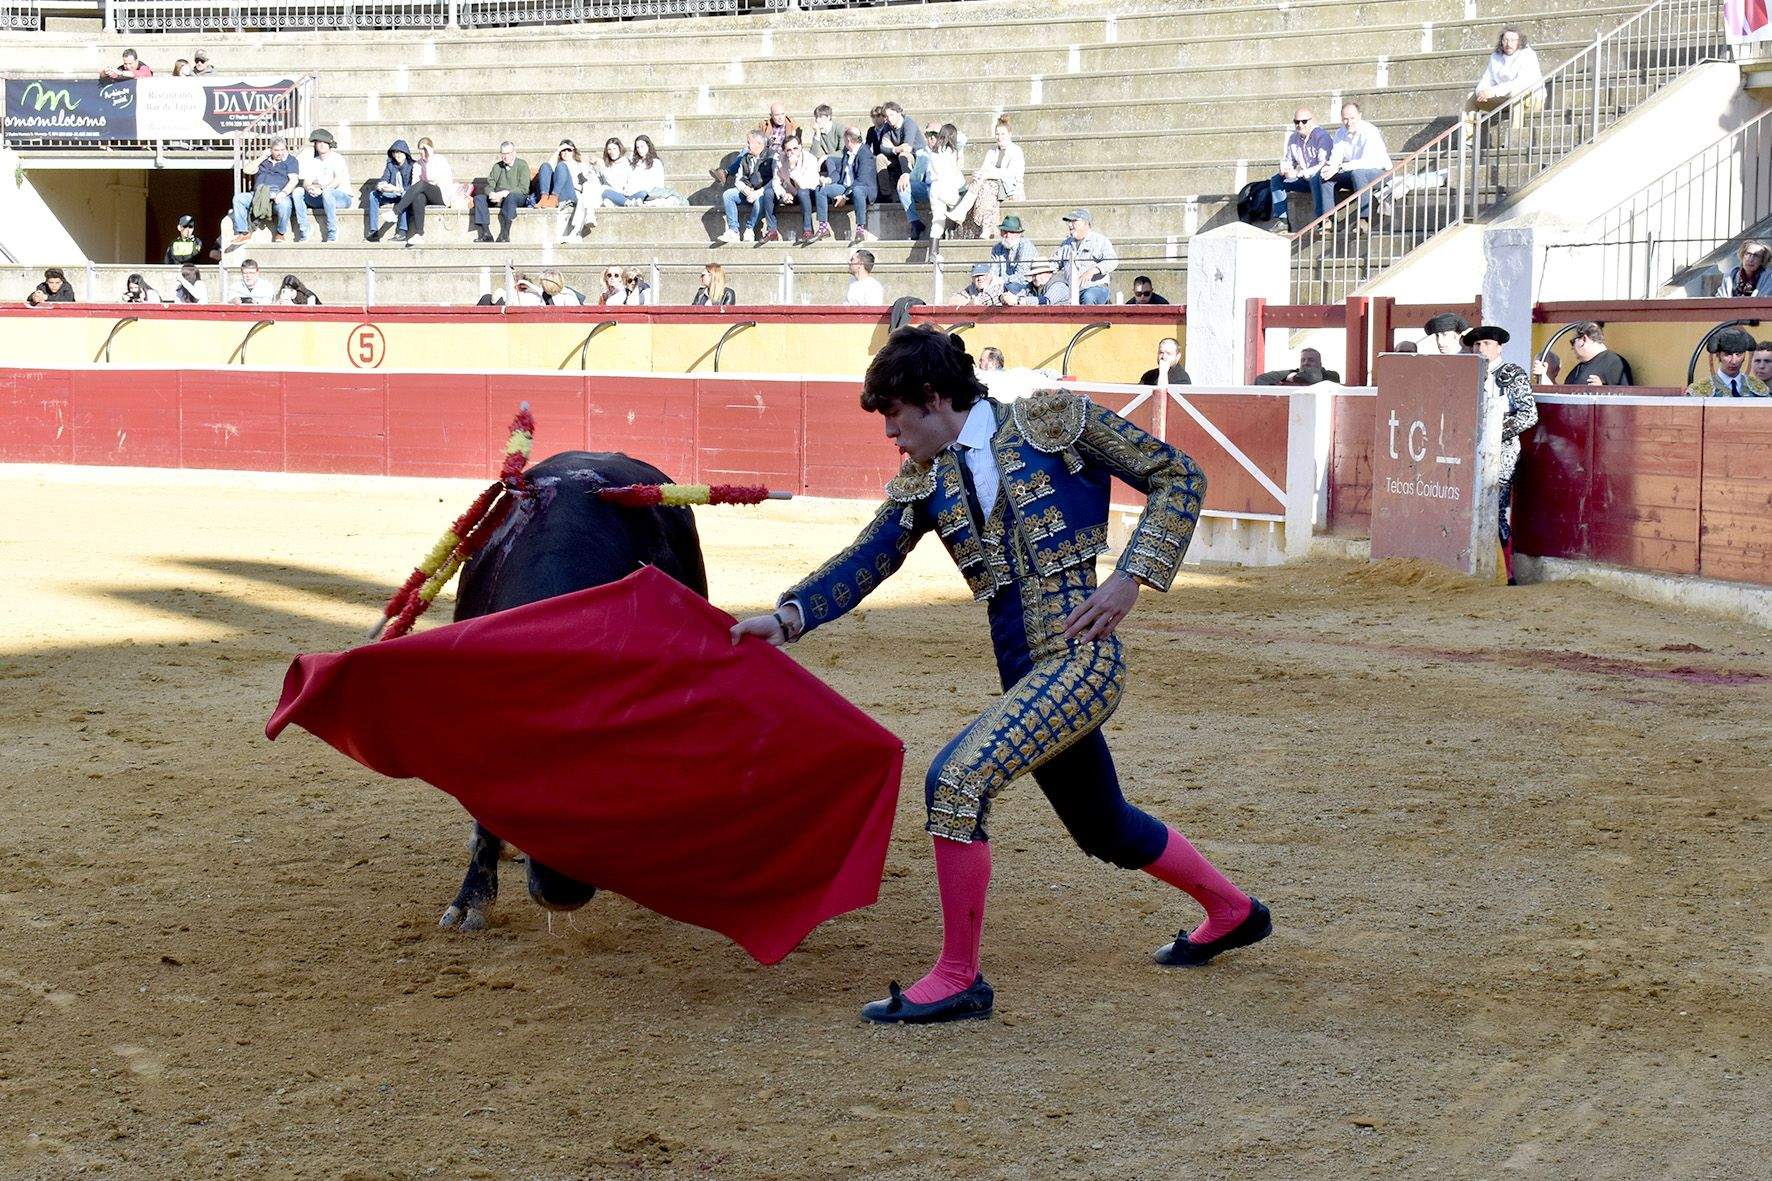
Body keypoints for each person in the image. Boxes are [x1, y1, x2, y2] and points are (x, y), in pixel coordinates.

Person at [728, 327, 1270, 1025]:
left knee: (956, 778)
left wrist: (1131, 578)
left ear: (932, 397)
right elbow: (867, 556)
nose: (891, 434)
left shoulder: (1051, 421)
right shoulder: (930, 479)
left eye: (895, 415)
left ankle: (959, 976)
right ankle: (1232, 910)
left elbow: (1179, 474)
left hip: (1081, 658)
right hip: (1024, 671)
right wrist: (791, 615)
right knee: (1105, 826)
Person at [1462, 325, 1538, 584]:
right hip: (1472, 451)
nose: (1481, 349)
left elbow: (1529, 414)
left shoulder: (1512, 374)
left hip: (1503, 450)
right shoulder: (1470, 374)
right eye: (1477, 345)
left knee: (1496, 507)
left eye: (1486, 343)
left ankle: (1506, 575)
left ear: (1499, 347)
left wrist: (1494, 433)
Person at [1319, 102, 1392, 231]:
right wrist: (1331, 168)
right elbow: (1336, 157)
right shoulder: (1340, 133)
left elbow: (1367, 161)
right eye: (1345, 119)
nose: (1348, 122)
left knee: (1358, 173)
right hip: (1355, 173)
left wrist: (1340, 167)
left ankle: (1364, 219)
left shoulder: (1369, 131)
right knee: (1326, 176)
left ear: (1359, 116)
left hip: (1381, 172)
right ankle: (1328, 219)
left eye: (1352, 118)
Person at [950, 117, 1024, 240]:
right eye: (997, 134)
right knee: (981, 183)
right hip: (991, 185)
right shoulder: (991, 151)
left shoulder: (1016, 151)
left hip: (1009, 186)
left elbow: (1012, 174)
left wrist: (989, 174)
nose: (999, 137)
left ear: (1009, 134)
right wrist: (978, 174)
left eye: (1002, 134)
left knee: (987, 186)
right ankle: (983, 226)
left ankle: (971, 218)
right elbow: (984, 169)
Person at [1267, 108, 1334, 232]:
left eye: (1304, 121)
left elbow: (1323, 164)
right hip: (1304, 180)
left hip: (1321, 180)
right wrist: (1284, 168)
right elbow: (1289, 160)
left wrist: (1298, 173)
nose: (1300, 125)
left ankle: (1322, 220)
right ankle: (1282, 221)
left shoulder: (1322, 137)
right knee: (1276, 179)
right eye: (1296, 122)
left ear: (1312, 121)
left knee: (1315, 177)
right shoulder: (1294, 138)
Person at [229, 136, 301, 246]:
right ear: (271, 149)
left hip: (278, 194)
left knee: (285, 205)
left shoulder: (290, 161)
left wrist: (283, 193)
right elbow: (247, 170)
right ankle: (244, 233)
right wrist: (262, 157)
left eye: (283, 150)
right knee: (239, 198)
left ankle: (280, 233)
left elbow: (294, 180)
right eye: (277, 150)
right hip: (259, 194)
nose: (280, 153)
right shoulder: (264, 161)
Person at [813, 126, 878, 244]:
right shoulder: (848, 153)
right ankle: (823, 227)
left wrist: (844, 197)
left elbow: (861, 180)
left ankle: (860, 229)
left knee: (858, 190)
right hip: (845, 186)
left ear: (848, 140)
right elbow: (839, 172)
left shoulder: (865, 154)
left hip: (863, 189)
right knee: (821, 189)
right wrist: (828, 180)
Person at [1466, 28, 1544, 126]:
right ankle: (1468, 139)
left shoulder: (1528, 55)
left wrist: (1492, 92)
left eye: (1513, 40)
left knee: (1516, 93)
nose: (1508, 44)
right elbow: (1486, 78)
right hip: (1505, 99)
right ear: (1501, 42)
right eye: (1505, 40)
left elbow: (1520, 83)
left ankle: (1515, 136)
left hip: (1531, 98)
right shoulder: (1495, 56)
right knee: (1472, 97)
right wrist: (1481, 91)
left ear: (1519, 41)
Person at [876, 101, 930, 240]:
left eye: (891, 115)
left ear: (899, 113)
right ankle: (886, 195)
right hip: (897, 155)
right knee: (880, 158)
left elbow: (908, 146)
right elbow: (882, 147)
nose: (888, 119)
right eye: (886, 117)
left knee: (904, 155)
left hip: (916, 157)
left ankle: (907, 177)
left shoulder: (908, 123)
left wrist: (895, 148)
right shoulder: (887, 127)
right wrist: (895, 149)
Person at [717, 130, 777, 245]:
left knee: (761, 200)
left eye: (749, 142)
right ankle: (733, 230)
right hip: (748, 192)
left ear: (759, 144)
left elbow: (776, 179)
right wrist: (745, 190)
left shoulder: (772, 156)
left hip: (763, 193)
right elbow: (738, 179)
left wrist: (757, 193)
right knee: (728, 195)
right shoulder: (745, 158)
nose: (747, 145)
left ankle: (750, 228)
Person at [295, 128, 353, 243]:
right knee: (298, 192)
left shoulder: (337, 158)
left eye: (324, 142)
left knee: (327, 192)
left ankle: (332, 230)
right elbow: (307, 181)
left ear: (329, 144)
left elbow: (338, 180)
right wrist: (309, 188)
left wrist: (321, 189)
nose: (321, 145)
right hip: (321, 197)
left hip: (342, 197)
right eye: (318, 142)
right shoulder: (313, 161)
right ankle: (304, 229)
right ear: (315, 145)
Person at [1049, 209, 1117, 306]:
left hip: (1095, 288)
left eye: (1074, 221)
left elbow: (1113, 261)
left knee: (1088, 297)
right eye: (1068, 222)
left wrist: (1092, 271)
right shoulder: (1066, 244)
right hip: (1071, 290)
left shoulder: (1099, 241)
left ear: (1085, 223)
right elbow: (1053, 264)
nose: (1069, 225)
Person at [394, 137, 454, 246]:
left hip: (442, 195)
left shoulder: (440, 160)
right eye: (420, 149)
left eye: (424, 148)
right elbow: (414, 185)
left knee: (422, 184)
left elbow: (432, 178)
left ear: (430, 149)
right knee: (418, 196)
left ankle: (396, 211)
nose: (421, 152)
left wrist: (430, 158)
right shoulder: (418, 164)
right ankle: (419, 234)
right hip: (427, 195)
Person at [1535, 321, 1633, 386]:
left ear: (1584, 339)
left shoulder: (1614, 363)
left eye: (1573, 342)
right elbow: (1563, 397)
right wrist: (1544, 376)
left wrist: (1602, 390)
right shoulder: (1578, 368)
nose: (1572, 348)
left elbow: (1624, 399)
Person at [473, 141, 530, 244]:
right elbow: (489, 185)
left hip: (516, 196)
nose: (505, 156)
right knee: (479, 198)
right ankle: (486, 234)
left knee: (511, 197)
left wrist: (505, 193)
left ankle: (505, 233)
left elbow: (524, 188)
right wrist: (491, 194)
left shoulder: (522, 165)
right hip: (498, 196)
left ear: (514, 153)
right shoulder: (497, 167)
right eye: (503, 154)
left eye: (508, 153)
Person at [1687, 327, 1771, 397]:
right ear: (1718, 355)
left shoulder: (1759, 388)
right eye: (1728, 354)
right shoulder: (1699, 390)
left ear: (1744, 356)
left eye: (1738, 354)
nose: (1734, 361)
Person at [924, 123, 966, 252]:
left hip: (934, 189)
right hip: (947, 188)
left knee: (937, 221)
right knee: (963, 203)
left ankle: (933, 253)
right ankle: (953, 227)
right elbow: (957, 174)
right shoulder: (951, 152)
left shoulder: (933, 152)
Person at [366, 139, 414, 242]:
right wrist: (381, 185)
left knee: (405, 194)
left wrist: (396, 189)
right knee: (373, 195)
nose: (397, 155)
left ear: (405, 153)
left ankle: (402, 231)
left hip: (405, 194)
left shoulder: (412, 165)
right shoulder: (390, 165)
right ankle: (373, 231)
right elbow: (384, 178)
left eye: (400, 152)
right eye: (395, 152)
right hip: (392, 194)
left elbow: (412, 187)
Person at [776, 138, 823, 243]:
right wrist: (784, 194)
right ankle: (772, 231)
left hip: (811, 194)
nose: (792, 152)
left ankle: (808, 231)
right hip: (793, 194)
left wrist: (792, 168)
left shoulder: (810, 159)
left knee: (802, 192)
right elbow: (776, 181)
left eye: (795, 148)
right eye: (788, 150)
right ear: (784, 151)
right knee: (769, 193)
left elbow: (805, 185)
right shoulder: (780, 161)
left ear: (801, 147)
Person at [989, 214, 1037, 295]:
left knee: (1012, 288)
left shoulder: (1026, 246)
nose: (1007, 235)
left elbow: (1022, 276)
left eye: (1011, 232)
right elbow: (993, 271)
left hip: (1025, 288)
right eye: (1004, 231)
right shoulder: (997, 248)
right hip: (1001, 286)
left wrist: (1001, 281)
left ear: (1019, 234)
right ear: (1001, 233)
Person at [1254, 347, 1341, 385]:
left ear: (1320, 365)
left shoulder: (1331, 375)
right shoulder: (1292, 372)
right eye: (1303, 360)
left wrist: (1292, 378)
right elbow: (1261, 379)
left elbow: (1313, 376)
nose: (1305, 363)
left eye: (1311, 360)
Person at [622, 136, 666, 204]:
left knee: (642, 193)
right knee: (606, 191)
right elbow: (629, 180)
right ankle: (627, 202)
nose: (640, 150)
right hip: (631, 194)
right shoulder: (635, 163)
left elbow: (659, 184)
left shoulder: (656, 163)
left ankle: (621, 202)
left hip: (647, 194)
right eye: (637, 147)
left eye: (642, 146)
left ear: (648, 146)